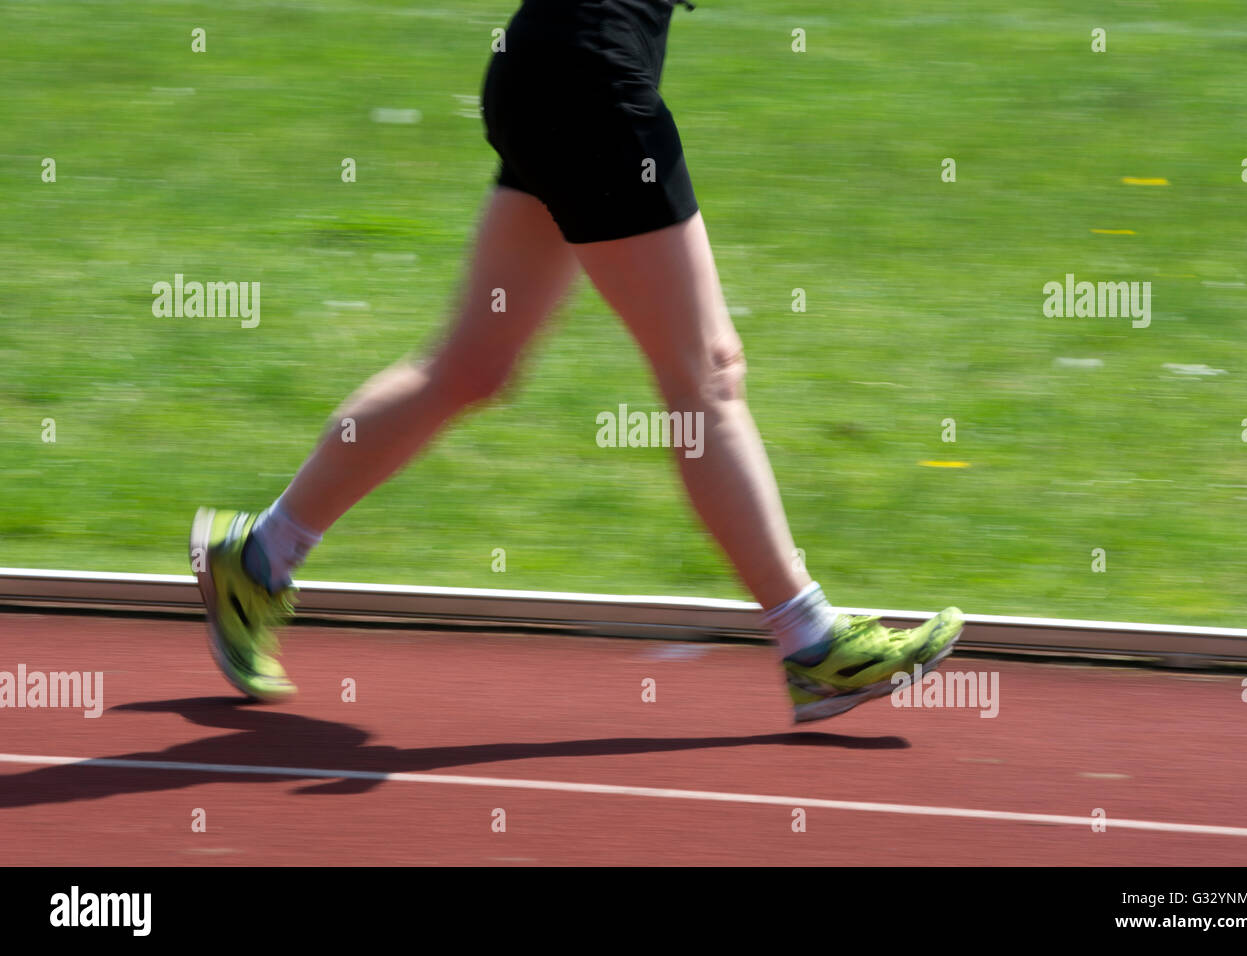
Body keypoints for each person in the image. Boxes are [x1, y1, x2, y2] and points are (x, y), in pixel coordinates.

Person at [190, 0, 962, 723]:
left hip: (549, 74)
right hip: (589, 87)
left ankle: (258, 558)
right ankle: (812, 642)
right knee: (705, 376)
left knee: (473, 365)